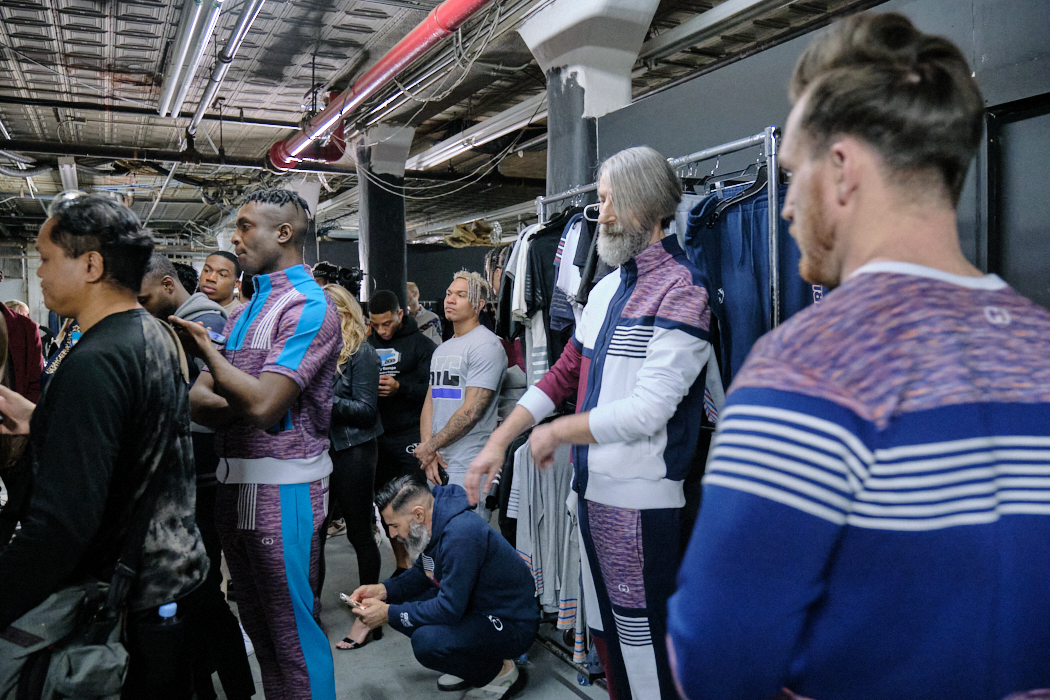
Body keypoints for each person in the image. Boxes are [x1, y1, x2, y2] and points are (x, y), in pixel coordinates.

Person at [667, 13, 1050, 700]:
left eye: (792, 174)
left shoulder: (806, 370)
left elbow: (715, 658)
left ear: (842, 171)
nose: (786, 206)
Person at [469, 146, 713, 700]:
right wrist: (501, 440)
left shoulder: (684, 289)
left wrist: (557, 431)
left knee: (645, 651)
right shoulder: (605, 289)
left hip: (641, 504)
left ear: (648, 204)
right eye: (600, 200)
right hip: (591, 495)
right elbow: (563, 374)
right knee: (606, 638)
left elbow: (650, 409)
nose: (600, 214)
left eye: (609, 200)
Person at [0, 194, 209, 698]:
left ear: (91, 265)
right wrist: (45, 420)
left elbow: (62, 528)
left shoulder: (95, 360)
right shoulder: (150, 333)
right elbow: (136, 439)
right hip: (172, 581)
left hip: (129, 601)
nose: (40, 272)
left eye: (47, 259)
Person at [174, 188, 341, 700]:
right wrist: (247, 397)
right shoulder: (246, 310)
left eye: (246, 226)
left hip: (284, 490)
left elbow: (266, 407)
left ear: (283, 233)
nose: (235, 238)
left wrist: (209, 354)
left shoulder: (309, 305)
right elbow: (198, 402)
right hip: (235, 488)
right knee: (262, 635)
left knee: (294, 638)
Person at [138, 253, 255, 700]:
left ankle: (234, 686)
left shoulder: (202, 319)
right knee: (196, 594)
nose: (142, 306)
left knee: (203, 592)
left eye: (146, 297)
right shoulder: (177, 322)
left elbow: (217, 396)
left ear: (168, 285)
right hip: (196, 466)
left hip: (204, 468)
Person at [349, 476, 537, 699]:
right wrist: (383, 590)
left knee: (427, 642)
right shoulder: (435, 518)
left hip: (510, 623)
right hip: (476, 605)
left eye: (394, 525)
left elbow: (449, 608)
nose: (392, 534)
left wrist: (388, 613)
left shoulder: (461, 535)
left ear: (418, 514)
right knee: (396, 601)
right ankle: (473, 663)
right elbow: (424, 572)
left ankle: (500, 671)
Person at [319, 283, 385, 652]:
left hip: (354, 450)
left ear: (343, 313)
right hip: (320, 451)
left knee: (359, 533)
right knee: (315, 535)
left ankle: (369, 618)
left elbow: (365, 411)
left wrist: (321, 398)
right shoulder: (317, 349)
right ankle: (311, 613)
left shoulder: (362, 353)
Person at [367, 288, 437, 575]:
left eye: (387, 323)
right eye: (376, 325)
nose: (382, 331)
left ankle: (427, 568)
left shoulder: (422, 345)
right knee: (386, 506)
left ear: (400, 313)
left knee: (416, 503)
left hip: (410, 435)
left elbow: (433, 394)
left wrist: (400, 388)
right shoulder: (365, 345)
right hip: (377, 437)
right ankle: (402, 566)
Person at [416, 271, 506, 491]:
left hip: (470, 464)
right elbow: (430, 401)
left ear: (479, 304)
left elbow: (471, 412)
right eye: (449, 293)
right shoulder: (443, 349)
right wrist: (429, 450)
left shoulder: (486, 345)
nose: (450, 299)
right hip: (436, 462)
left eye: (461, 295)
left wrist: (430, 447)